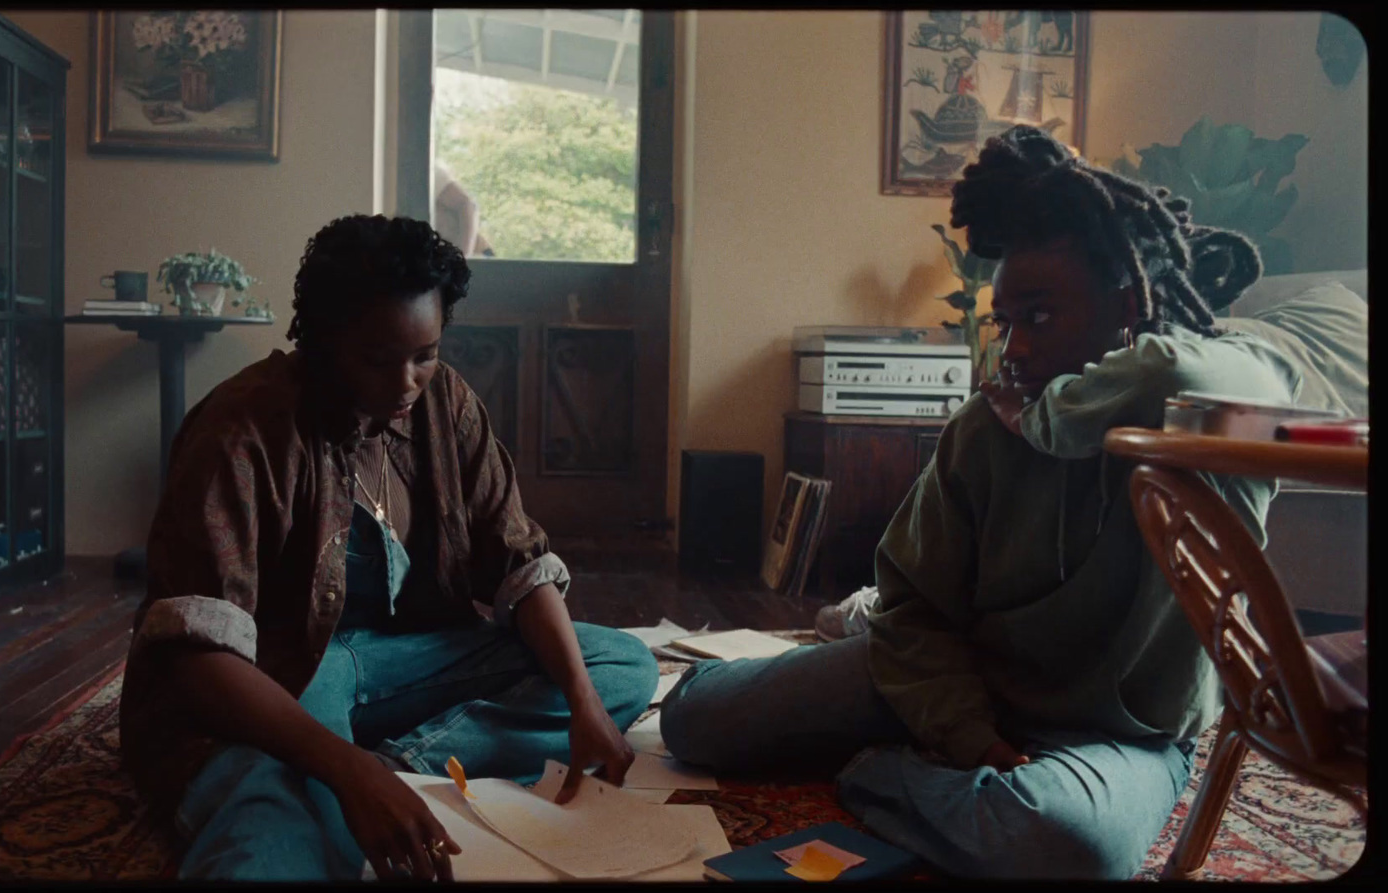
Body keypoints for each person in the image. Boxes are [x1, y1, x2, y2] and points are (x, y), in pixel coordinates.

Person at [659, 125, 1305, 880]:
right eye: (1005, 321)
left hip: (1119, 737)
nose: (1014, 349)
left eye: (1039, 316)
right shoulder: (979, 430)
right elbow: (914, 610)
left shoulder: (1209, 417)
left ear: (1127, 303)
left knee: (1066, 846)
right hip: (951, 681)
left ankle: (880, 773)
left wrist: (1048, 419)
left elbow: (1247, 375)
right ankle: (926, 761)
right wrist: (966, 732)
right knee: (692, 720)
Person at [118, 214, 657, 882]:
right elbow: (196, 658)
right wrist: (341, 768)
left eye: (424, 355)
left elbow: (518, 563)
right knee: (286, 834)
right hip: (281, 674)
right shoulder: (243, 430)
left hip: (403, 665)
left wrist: (581, 702)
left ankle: (401, 768)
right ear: (323, 341)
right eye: (378, 359)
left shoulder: (447, 405)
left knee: (619, 665)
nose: (407, 381)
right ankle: (326, 774)